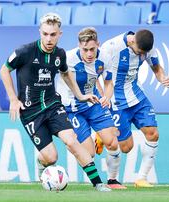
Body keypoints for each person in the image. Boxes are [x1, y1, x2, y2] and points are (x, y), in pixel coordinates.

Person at [0, 13, 111, 191]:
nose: (48, 38)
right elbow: (4, 70)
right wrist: (13, 98)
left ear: (59, 34)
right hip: (30, 113)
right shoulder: (24, 51)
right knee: (51, 157)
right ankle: (41, 162)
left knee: (71, 140)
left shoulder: (59, 54)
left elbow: (66, 74)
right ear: (40, 32)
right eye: (45, 34)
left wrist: (81, 95)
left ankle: (98, 183)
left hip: (53, 105)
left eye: (53, 34)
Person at [97, 29, 169, 187]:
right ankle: (103, 134)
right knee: (126, 147)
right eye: (139, 52)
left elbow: (157, 68)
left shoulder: (148, 48)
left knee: (153, 134)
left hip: (137, 96)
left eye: (143, 53)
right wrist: (103, 97)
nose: (141, 55)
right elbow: (95, 74)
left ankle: (141, 178)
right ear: (132, 42)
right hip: (116, 101)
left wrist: (163, 78)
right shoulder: (111, 47)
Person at [56, 27, 125, 189]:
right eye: (85, 49)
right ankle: (95, 142)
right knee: (90, 153)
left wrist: (106, 98)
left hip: (93, 102)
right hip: (72, 107)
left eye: (92, 49)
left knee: (113, 142)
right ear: (79, 46)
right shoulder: (69, 58)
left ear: (98, 45)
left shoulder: (106, 57)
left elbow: (108, 84)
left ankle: (113, 180)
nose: (89, 54)